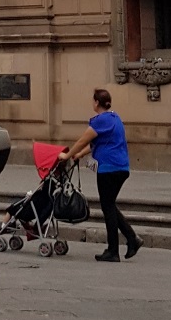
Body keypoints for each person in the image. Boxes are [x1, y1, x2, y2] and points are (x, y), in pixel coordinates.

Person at [61, 88, 142, 263]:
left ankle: (114, 250)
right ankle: (131, 238)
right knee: (109, 205)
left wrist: (67, 156)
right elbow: (96, 144)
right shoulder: (114, 118)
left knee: (107, 207)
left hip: (108, 169)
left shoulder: (99, 121)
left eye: (93, 100)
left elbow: (84, 140)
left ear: (96, 102)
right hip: (121, 167)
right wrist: (80, 155)